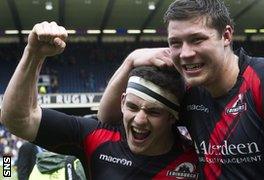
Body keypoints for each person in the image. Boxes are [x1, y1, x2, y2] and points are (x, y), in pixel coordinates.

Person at [97, 0, 264, 179]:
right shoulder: (188, 92)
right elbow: (108, 117)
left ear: (226, 36)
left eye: (197, 40)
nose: (185, 53)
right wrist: (130, 60)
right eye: (175, 43)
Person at [0, 21, 199, 180]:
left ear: (173, 117)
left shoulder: (197, 161)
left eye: (154, 112)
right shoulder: (96, 138)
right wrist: (33, 54)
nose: (139, 120)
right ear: (122, 102)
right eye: (132, 106)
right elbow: (18, 120)